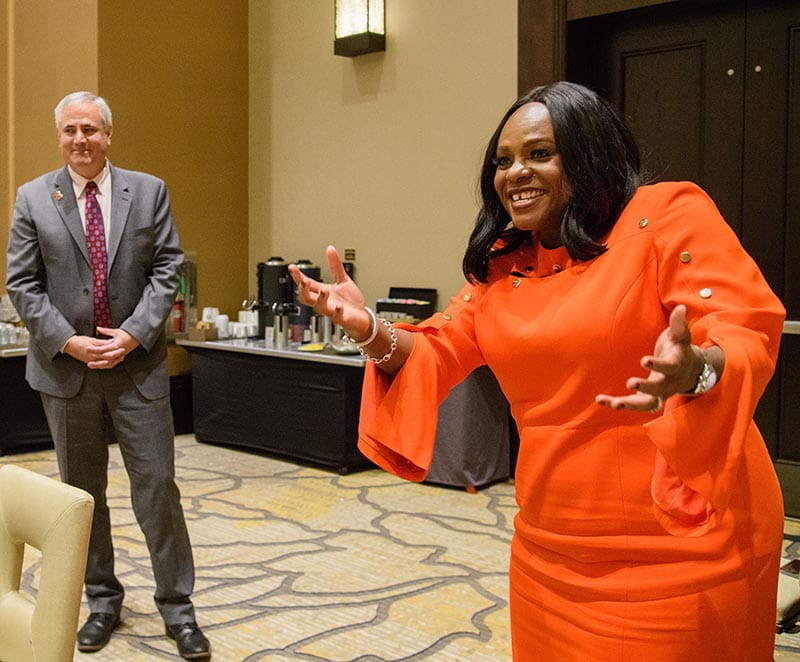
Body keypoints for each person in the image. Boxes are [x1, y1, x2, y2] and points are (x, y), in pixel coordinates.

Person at [289, 81, 786, 661]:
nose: (514, 173)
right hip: (550, 545)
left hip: (682, 541)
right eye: (504, 161)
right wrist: (369, 329)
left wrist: (697, 368)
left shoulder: (664, 215)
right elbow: (438, 347)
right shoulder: (505, 262)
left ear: (589, 155)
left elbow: (741, 326)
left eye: (539, 154)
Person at [6, 91, 210, 660]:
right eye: (70, 130)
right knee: (81, 493)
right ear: (60, 137)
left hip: (137, 368)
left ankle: (178, 608)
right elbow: (22, 284)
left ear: (108, 134)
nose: (80, 140)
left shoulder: (148, 192)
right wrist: (69, 341)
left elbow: (168, 268)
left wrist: (133, 334)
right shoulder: (32, 198)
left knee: (157, 491)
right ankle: (101, 601)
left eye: (90, 129)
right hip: (66, 372)